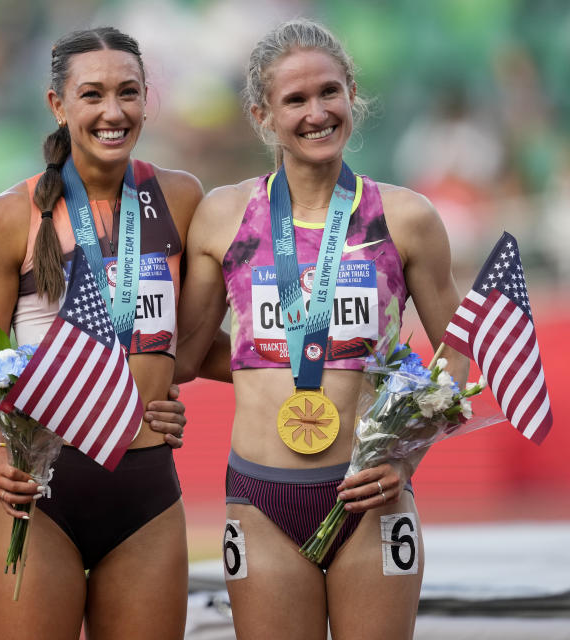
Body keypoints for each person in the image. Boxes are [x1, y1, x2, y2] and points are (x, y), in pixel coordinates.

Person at [174, 19, 469, 640]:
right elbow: (187, 354)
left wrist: (408, 451)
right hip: (261, 499)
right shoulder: (224, 216)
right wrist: (272, 360)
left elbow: (458, 352)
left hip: (373, 497)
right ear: (263, 114)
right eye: (295, 100)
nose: (317, 113)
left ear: (352, 93)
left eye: (329, 93)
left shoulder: (406, 217)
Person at [0, 27, 203, 640]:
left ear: (147, 99)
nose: (113, 111)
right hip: (41, 491)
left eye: (129, 93)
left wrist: (320, 363)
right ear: (58, 105)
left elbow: (199, 341)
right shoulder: (9, 216)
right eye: (92, 94)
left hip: (145, 489)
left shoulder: (179, 197)